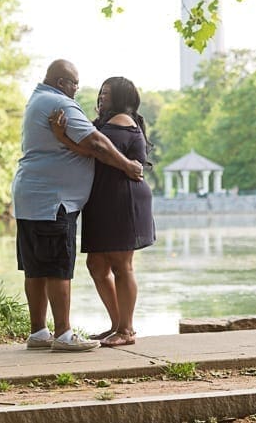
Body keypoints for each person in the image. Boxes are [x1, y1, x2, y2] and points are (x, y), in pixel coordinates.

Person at [12, 60, 143, 352]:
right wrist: (127, 166)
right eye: (75, 84)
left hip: (32, 198)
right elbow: (96, 144)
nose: (78, 90)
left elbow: (88, 145)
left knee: (35, 269)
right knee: (57, 267)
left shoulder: (38, 100)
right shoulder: (60, 104)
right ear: (62, 83)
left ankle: (39, 332)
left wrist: (61, 138)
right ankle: (64, 334)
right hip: (54, 201)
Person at [51, 76, 155, 347]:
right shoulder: (104, 124)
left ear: (120, 99)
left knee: (122, 266)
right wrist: (62, 136)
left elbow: (95, 149)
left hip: (123, 199)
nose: (101, 97)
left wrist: (63, 136)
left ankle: (127, 330)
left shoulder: (121, 120)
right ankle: (117, 325)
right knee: (97, 265)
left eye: (106, 94)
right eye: (100, 92)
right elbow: (90, 150)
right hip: (101, 200)